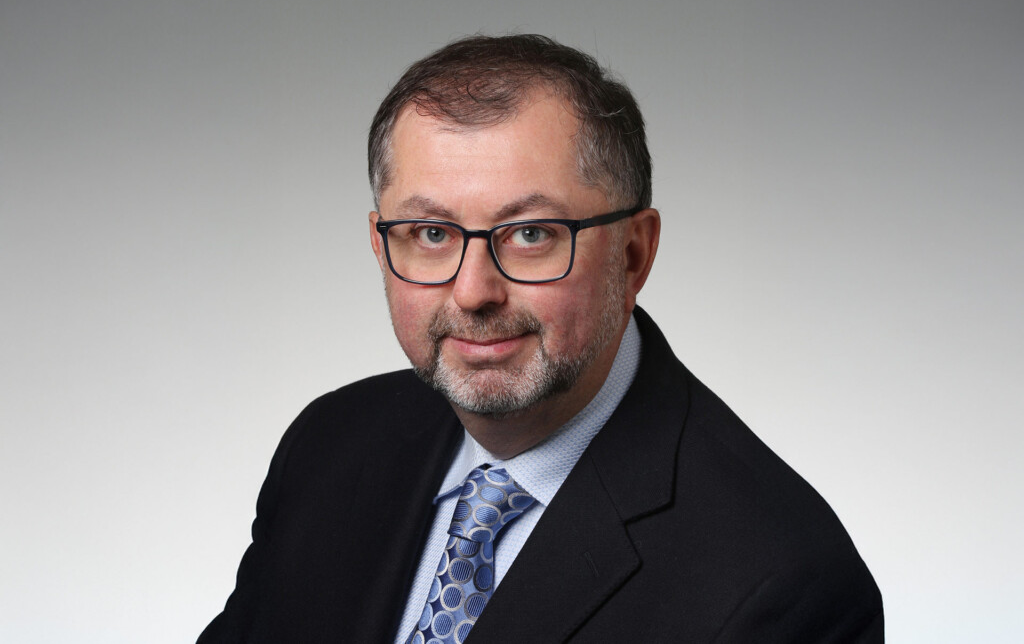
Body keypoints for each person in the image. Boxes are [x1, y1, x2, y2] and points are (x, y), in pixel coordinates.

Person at [198, 34, 883, 643]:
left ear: (632, 254)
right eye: (430, 234)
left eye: (530, 234)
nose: (473, 291)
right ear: (381, 247)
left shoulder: (782, 585)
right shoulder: (329, 446)